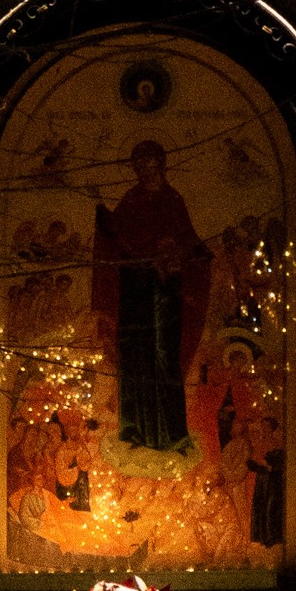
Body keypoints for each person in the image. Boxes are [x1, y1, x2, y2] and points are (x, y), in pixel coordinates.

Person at [91, 141, 211, 454]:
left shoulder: (172, 200)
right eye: (139, 164)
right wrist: (102, 211)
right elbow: (117, 235)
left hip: (163, 290)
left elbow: (187, 239)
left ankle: (172, 434)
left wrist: (192, 250)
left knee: (162, 356)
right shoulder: (131, 200)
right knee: (135, 356)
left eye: (150, 163)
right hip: (135, 289)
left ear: (160, 165)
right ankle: (136, 433)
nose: (144, 170)